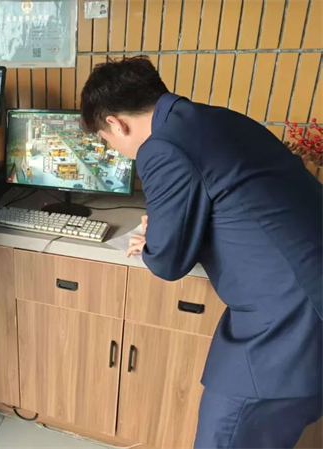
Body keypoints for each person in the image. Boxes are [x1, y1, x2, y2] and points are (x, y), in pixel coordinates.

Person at [80, 56, 323, 448]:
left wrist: (154, 241)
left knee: (226, 433)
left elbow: (168, 261)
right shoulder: (215, 119)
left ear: (116, 123)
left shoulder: (161, 147)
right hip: (301, 301)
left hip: (288, 326)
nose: (118, 150)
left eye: (108, 142)